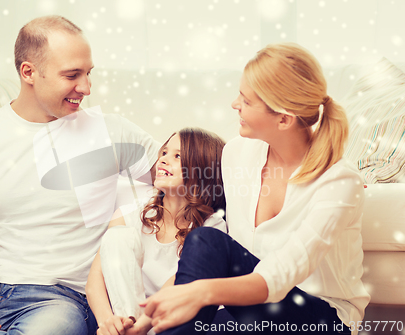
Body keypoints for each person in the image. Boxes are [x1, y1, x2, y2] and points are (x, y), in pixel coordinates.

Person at [0, 16, 159, 335]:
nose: (86, 87)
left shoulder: (113, 133)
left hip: (60, 301)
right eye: (72, 75)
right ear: (29, 72)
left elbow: (190, 179)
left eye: (88, 73)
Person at [141, 43, 370, 335]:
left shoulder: (339, 182)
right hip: (248, 310)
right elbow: (211, 249)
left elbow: (282, 273)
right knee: (205, 240)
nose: (235, 104)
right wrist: (147, 320)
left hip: (321, 320)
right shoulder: (238, 153)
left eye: (247, 101)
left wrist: (203, 292)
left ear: (283, 119)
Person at [86, 127, 228, 335]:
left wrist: (145, 325)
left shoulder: (212, 226)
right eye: (164, 152)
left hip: (176, 321)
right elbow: (95, 279)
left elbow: (180, 281)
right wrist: (108, 323)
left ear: (203, 170)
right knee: (118, 236)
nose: (163, 160)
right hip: (131, 318)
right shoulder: (130, 214)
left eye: (177, 156)